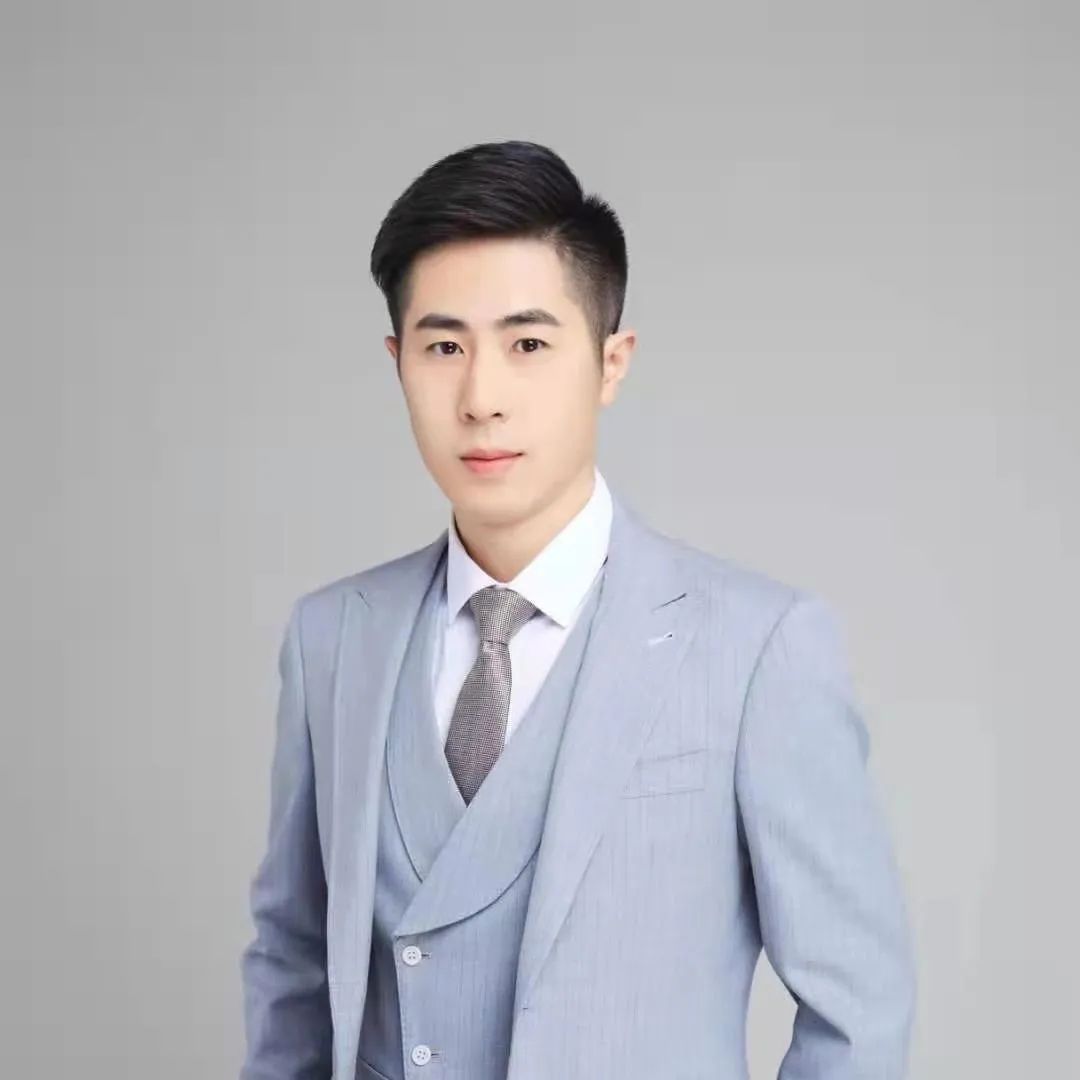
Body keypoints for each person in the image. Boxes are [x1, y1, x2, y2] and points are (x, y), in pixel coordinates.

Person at [239, 139, 916, 1080]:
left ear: (610, 362)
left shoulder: (758, 645)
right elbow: (292, 964)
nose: (481, 397)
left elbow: (859, 1012)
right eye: (444, 346)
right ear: (398, 363)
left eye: (528, 344)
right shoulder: (333, 637)